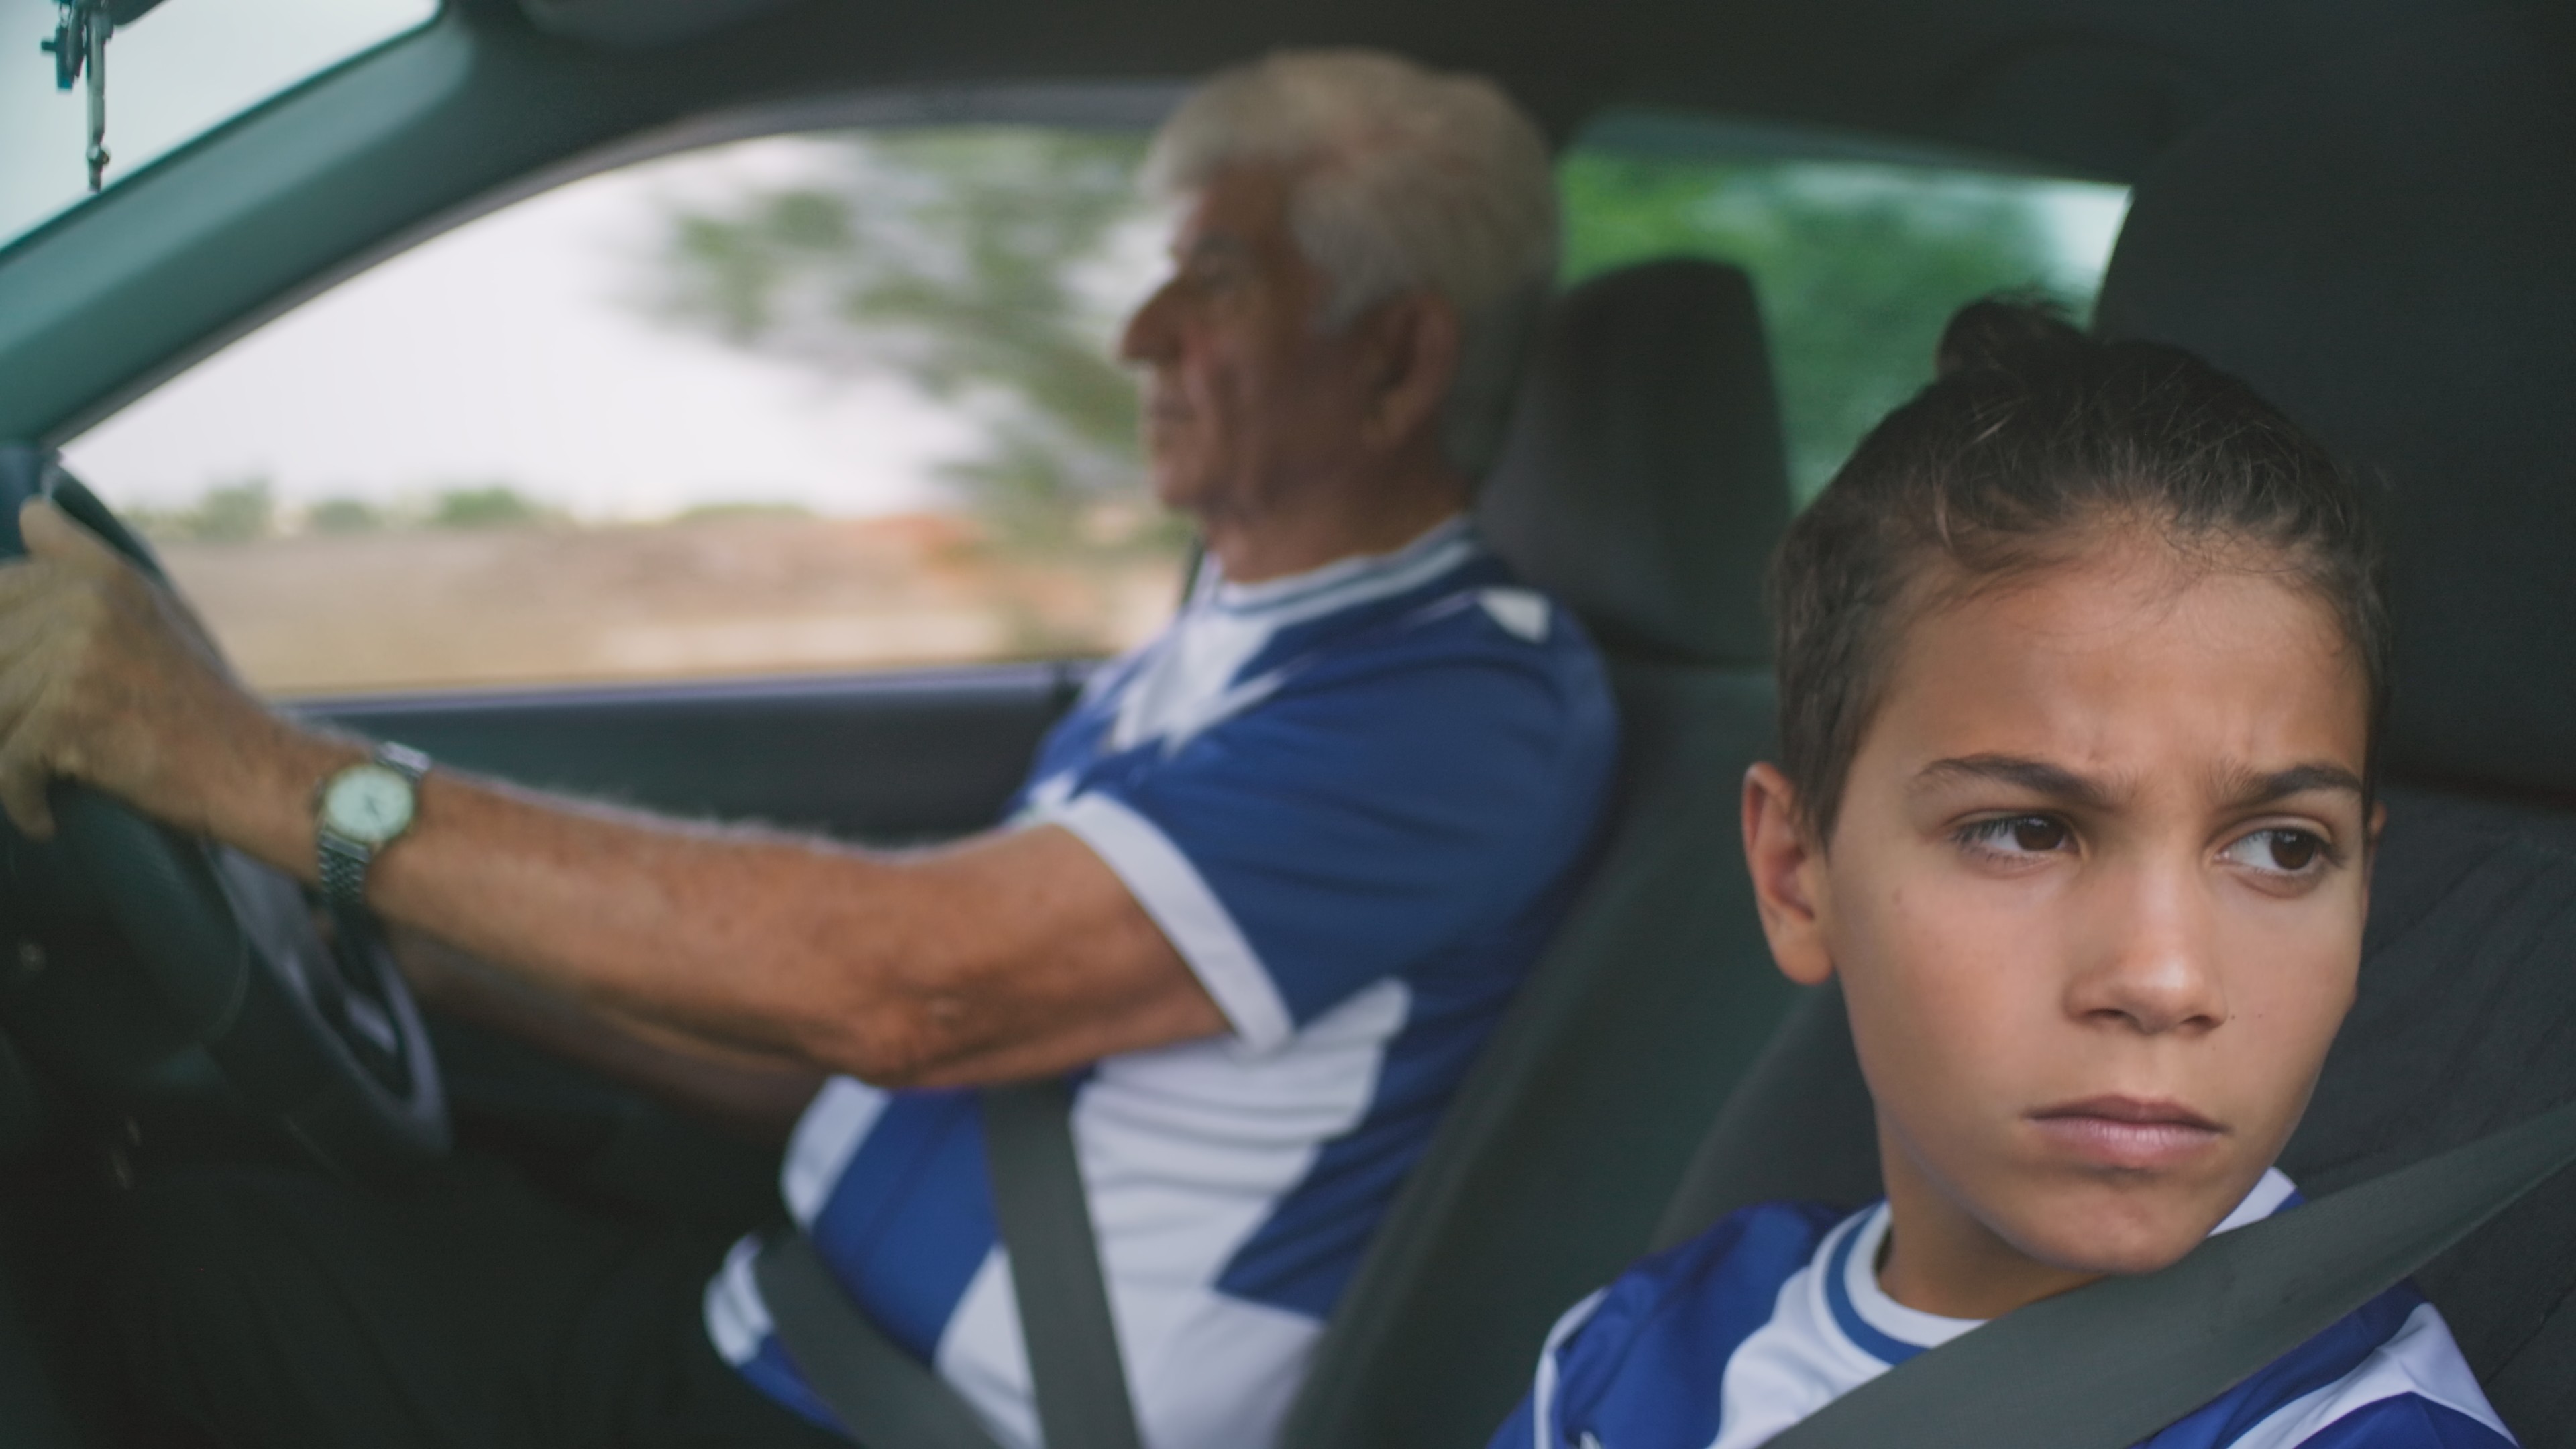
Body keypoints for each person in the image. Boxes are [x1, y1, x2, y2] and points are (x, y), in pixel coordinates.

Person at [0, 50, 1618, 1449]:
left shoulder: (1459, 710)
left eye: (1215, 281)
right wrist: (452, 971)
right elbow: (849, 1056)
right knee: (211, 1232)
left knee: (157, 1276)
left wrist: (230, 764)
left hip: (878, 1420)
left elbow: (903, 988)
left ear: (1399, 359)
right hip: (771, 1324)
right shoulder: (1215, 660)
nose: (1139, 332)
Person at [1488, 301, 2515, 1448]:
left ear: (2361, 893)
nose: (2166, 977)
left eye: (2283, 847)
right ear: (1793, 874)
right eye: (2024, 832)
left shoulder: (2361, 1429)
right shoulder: (1651, 1352)